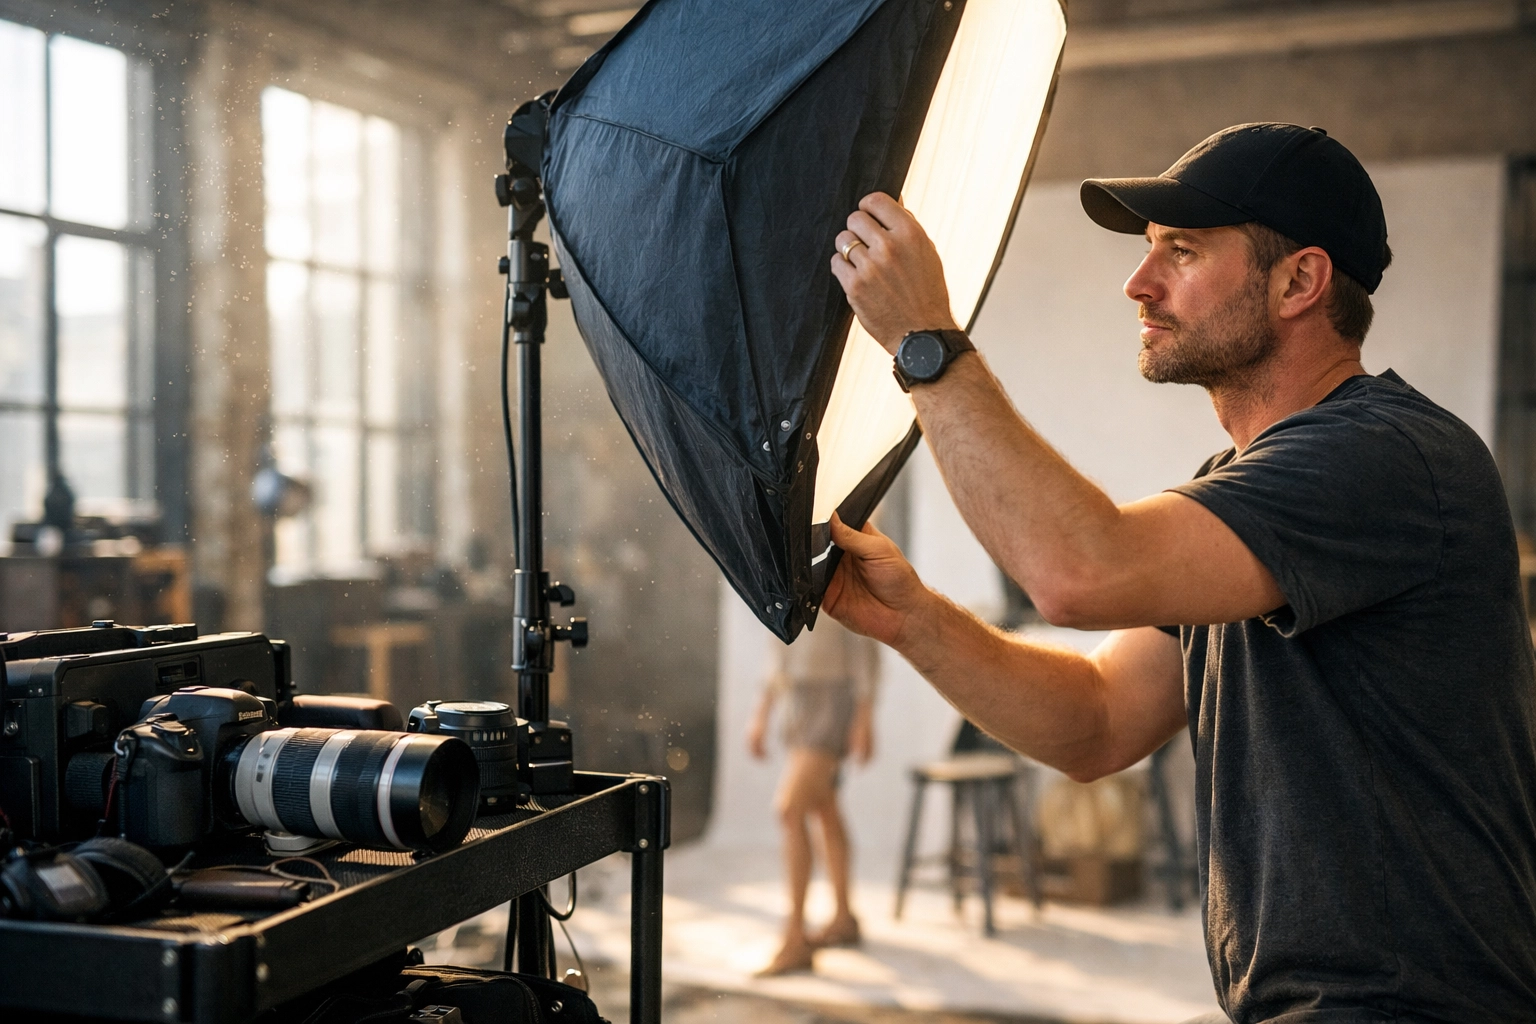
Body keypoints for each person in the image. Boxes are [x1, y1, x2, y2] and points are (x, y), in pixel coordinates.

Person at [822, 123, 1536, 1022]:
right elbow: (1096, 723)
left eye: (1184, 252)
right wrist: (913, 619)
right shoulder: (1242, 490)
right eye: (1150, 249)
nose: (1139, 282)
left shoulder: (1386, 456)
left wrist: (924, 340)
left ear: (1300, 282)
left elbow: (1078, 573)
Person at [746, 614, 879, 976]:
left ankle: (795, 939)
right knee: (824, 807)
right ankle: (843, 918)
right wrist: (762, 712)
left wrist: (865, 716)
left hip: (834, 698)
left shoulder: (838, 574)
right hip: (797, 699)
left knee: (790, 810)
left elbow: (864, 642)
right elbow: (779, 644)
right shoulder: (780, 582)